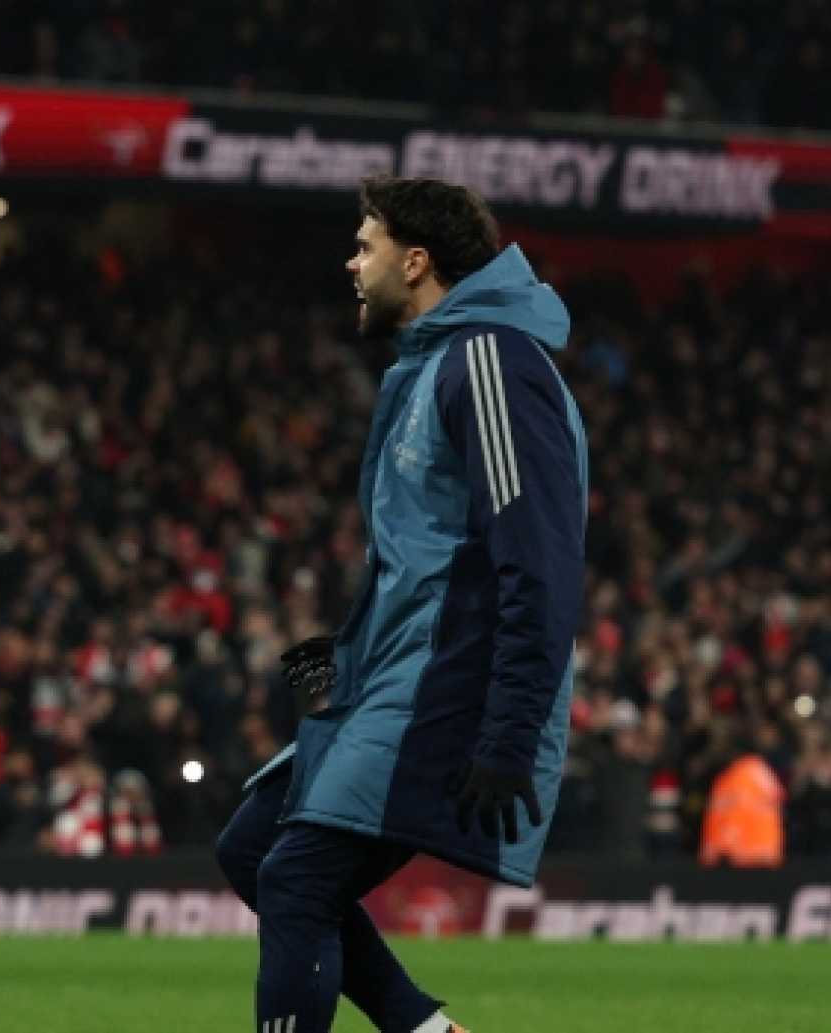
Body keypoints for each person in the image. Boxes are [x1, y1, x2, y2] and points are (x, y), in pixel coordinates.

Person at [214, 176, 587, 1033]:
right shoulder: (435, 366)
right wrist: (342, 660)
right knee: (254, 848)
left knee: (298, 877)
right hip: (391, 677)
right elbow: (428, 562)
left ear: (415, 262)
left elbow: (538, 560)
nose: (352, 263)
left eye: (365, 244)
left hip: (447, 687)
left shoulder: (491, 363)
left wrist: (512, 728)